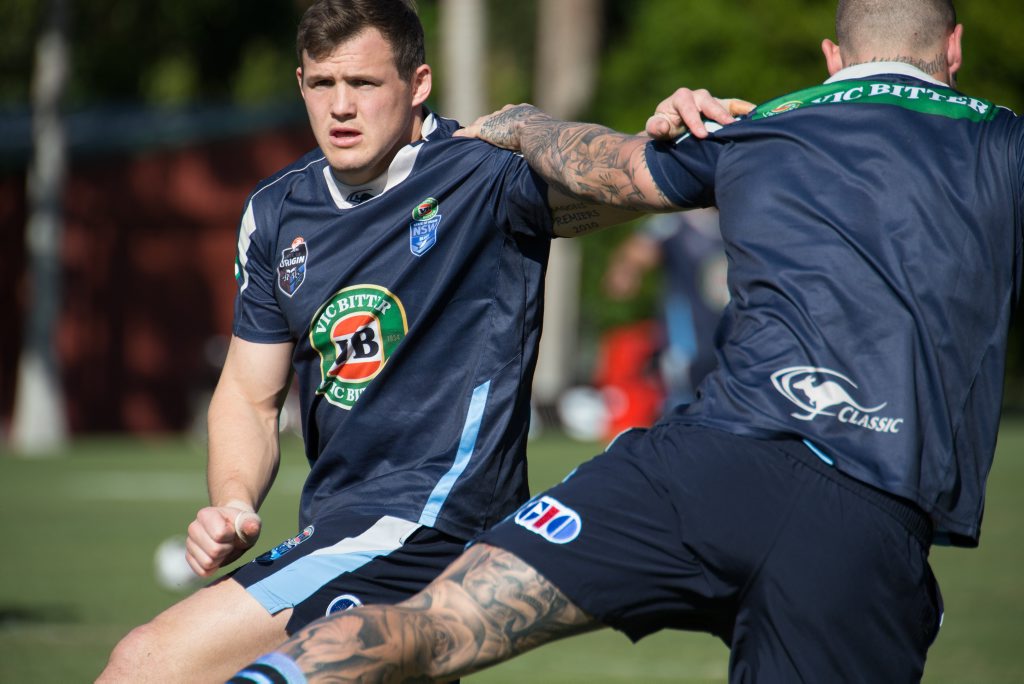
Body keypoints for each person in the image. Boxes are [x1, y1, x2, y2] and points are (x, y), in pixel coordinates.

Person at [229, 0, 1024, 681]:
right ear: (955, 49)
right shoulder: (1002, 145)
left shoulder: (761, 127)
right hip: (860, 525)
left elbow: (618, 169)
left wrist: (523, 123)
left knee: (429, 628)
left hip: (695, 473)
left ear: (831, 57)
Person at [97, 1, 743, 681]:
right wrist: (232, 499)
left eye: (365, 84)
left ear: (419, 84)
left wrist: (687, 130)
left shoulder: (482, 174)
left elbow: (645, 180)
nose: (341, 106)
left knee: (147, 664)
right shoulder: (274, 210)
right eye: (323, 85)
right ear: (300, 85)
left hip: (435, 526)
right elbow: (249, 395)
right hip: (337, 529)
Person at [603, 207, 728, 408]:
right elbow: (639, 249)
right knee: (685, 402)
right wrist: (626, 271)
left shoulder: (739, 218)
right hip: (687, 338)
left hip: (730, 333)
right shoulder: (674, 222)